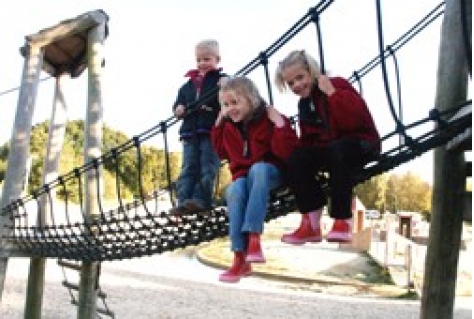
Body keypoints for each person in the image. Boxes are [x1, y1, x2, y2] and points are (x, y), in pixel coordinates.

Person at [274, 50, 380, 244]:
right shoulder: (304, 104)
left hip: (360, 143)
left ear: (312, 72)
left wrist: (332, 93)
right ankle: (311, 223)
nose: (297, 85)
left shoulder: (336, 85)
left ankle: (342, 219)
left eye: (300, 78)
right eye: (291, 83)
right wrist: (283, 128)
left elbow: (354, 121)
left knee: (337, 150)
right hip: (331, 151)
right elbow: (308, 141)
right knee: (298, 158)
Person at [211, 76, 298, 283]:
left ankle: (254, 239)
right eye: (226, 104)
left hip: (272, 173)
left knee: (258, 169)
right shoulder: (229, 127)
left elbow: (287, 153)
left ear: (251, 99)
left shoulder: (268, 118)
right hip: (245, 178)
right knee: (234, 189)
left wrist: (279, 124)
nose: (231, 108)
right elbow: (221, 152)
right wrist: (218, 123)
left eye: (235, 102)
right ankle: (239, 258)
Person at [170, 39, 227, 215]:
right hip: (189, 133)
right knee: (188, 167)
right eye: (199, 60)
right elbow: (178, 105)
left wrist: (227, 82)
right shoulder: (187, 86)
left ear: (217, 59)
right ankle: (183, 201)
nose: (202, 64)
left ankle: (201, 200)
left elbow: (232, 91)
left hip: (211, 131)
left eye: (207, 59)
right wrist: (178, 109)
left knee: (207, 166)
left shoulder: (220, 80)